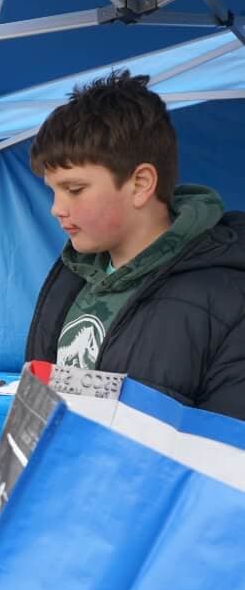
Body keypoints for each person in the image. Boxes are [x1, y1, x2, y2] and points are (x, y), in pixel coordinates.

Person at [25, 70, 245, 420]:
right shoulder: (68, 280)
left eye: (74, 189)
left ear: (141, 183)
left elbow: (227, 453)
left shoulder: (229, 297)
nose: (56, 208)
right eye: (52, 190)